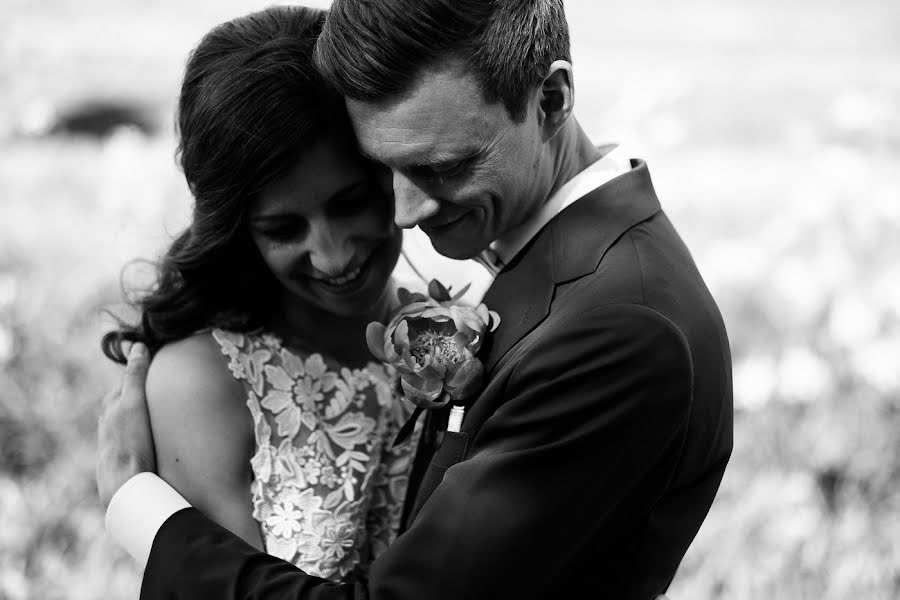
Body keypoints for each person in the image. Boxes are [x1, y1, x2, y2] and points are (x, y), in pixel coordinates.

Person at [97, 1, 734, 598]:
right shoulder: (548, 275)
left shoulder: (618, 329)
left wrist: (139, 511)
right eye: (385, 169)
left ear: (551, 98)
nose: (404, 214)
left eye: (442, 166)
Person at [99, 6, 417, 581]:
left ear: (390, 170)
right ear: (240, 229)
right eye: (284, 229)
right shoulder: (206, 383)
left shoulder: (451, 333)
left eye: (351, 203)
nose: (334, 256)